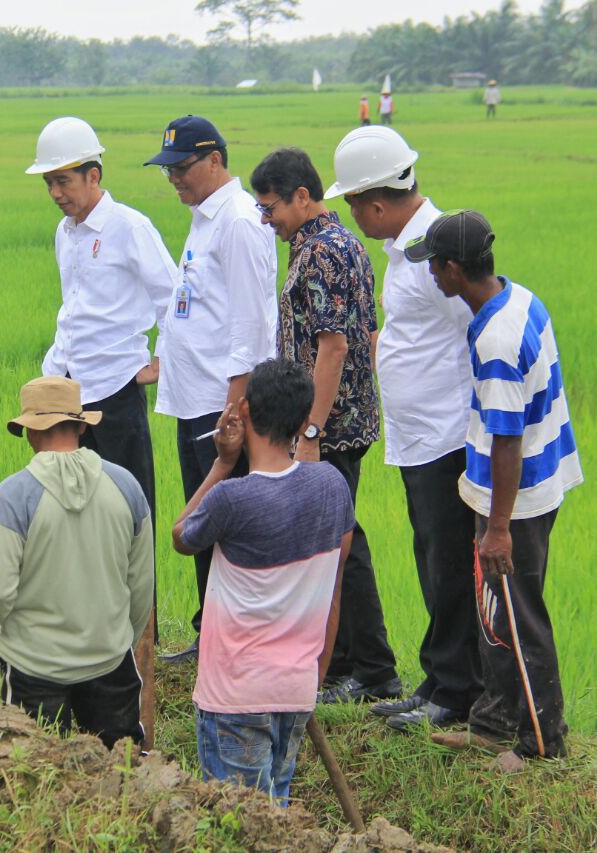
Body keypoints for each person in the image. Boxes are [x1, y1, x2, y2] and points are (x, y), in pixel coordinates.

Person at [404, 209, 581, 773]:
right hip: (538, 480)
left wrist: (498, 528)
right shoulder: (517, 297)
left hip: (517, 499)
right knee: (500, 613)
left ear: (453, 269)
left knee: (513, 615)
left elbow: (506, 441)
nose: (430, 273)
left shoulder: (499, 340)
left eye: (434, 264)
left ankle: (539, 738)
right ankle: (492, 724)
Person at [325, 126, 483, 725]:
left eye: (352, 204)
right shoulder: (407, 248)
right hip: (420, 437)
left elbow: (477, 325)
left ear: (374, 202)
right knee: (432, 558)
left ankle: (456, 692)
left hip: (446, 437)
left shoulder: (436, 251)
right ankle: (440, 677)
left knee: (446, 562)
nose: (353, 216)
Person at [251, 147, 402, 705]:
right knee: (332, 540)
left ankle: (374, 671)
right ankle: (341, 663)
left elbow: (334, 347)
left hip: (331, 424)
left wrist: (309, 432)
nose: (268, 221)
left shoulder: (320, 254)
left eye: (272, 209)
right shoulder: (334, 244)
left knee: (344, 543)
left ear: (302, 197)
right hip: (342, 416)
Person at [172, 359, 354, 804]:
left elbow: (181, 536)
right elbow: (336, 583)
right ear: (303, 418)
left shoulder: (233, 498)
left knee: (244, 826)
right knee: (278, 819)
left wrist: (221, 462)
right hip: (295, 689)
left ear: (245, 411)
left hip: (236, 696)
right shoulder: (332, 485)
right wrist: (315, 674)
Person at [0, 376, 154, 749]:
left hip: (33, 669)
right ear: (80, 424)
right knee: (123, 780)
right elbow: (141, 587)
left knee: (33, 781)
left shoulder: (13, 497)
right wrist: (117, 639)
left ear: (29, 432)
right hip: (109, 662)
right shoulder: (126, 487)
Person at [143, 114, 278, 664]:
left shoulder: (239, 221)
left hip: (221, 406)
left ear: (216, 160)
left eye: (182, 167)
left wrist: (235, 408)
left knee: (227, 526)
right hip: (193, 399)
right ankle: (211, 634)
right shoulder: (204, 217)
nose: (173, 178)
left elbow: (252, 324)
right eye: (167, 169)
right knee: (204, 522)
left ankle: (237, 641)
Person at [25, 116, 176, 546]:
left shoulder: (129, 227)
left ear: (94, 175)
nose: (55, 193)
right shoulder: (65, 231)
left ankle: (137, 614)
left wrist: (162, 358)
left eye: (63, 181)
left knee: (129, 511)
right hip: (66, 390)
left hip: (115, 388)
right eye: (49, 182)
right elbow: (74, 306)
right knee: (72, 512)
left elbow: (172, 298)